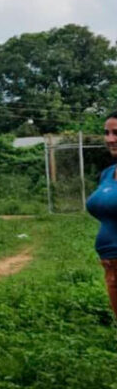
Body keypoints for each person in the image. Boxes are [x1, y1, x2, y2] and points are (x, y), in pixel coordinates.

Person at [86, 111, 117, 320]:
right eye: (106, 133)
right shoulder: (108, 173)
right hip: (110, 265)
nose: (110, 139)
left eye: (116, 133)